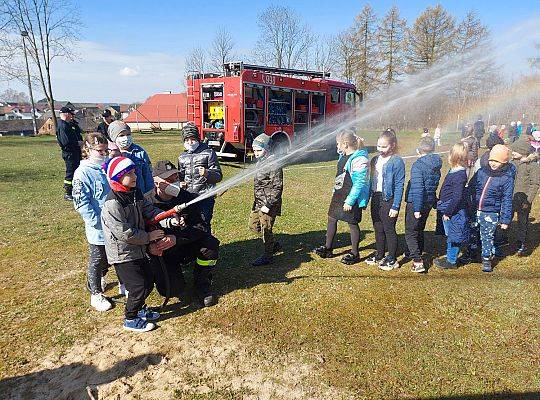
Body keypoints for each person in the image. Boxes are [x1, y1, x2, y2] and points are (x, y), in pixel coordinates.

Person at [101, 156, 179, 332]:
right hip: (123, 254)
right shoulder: (113, 203)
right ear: (117, 177)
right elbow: (124, 233)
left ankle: (141, 309)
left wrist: (168, 220)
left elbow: (149, 211)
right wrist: (149, 236)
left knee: (148, 280)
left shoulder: (134, 192)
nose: (135, 175)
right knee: (138, 286)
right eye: (129, 173)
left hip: (138, 248)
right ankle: (130, 318)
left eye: (134, 171)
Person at [150, 160, 220, 307]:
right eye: (168, 180)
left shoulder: (186, 197)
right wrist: (151, 247)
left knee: (210, 244)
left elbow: (201, 227)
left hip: (184, 243)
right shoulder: (146, 202)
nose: (174, 182)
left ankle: (202, 284)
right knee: (171, 290)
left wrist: (177, 238)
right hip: (164, 252)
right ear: (156, 181)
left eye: (176, 177)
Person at [313, 129, 370, 265]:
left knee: (352, 223)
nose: (337, 146)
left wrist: (350, 201)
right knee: (332, 218)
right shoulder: (343, 155)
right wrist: (335, 190)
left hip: (351, 197)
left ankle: (355, 253)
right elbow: (340, 175)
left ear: (345, 144)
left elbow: (359, 183)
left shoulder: (360, 159)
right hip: (339, 194)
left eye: (338, 144)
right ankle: (328, 248)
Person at [72, 132, 112, 312]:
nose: (103, 154)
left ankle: (105, 276)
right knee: (98, 258)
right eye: (99, 151)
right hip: (98, 226)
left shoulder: (107, 167)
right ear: (88, 150)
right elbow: (82, 203)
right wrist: (95, 222)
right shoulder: (82, 173)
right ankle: (95, 293)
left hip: (114, 222)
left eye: (105, 150)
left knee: (111, 257)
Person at [468, 145, 515, 272]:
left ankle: (486, 259)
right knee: (473, 232)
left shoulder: (506, 178)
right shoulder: (481, 172)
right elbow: (471, 187)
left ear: (504, 162)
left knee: (487, 236)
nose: (493, 164)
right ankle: (472, 253)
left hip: (491, 213)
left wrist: (505, 220)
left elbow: (506, 200)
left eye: (497, 161)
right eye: (492, 160)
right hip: (475, 210)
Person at [366, 129, 405, 271]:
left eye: (384, 147)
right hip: (376, 198)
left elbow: (400, 185)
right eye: (379, 146)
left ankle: (392, 258)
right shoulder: (375, 159)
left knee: (389, 229)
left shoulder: (397, 161)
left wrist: (395, 206)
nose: (380, 150)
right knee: (377, 228)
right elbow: (371, 180)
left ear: (392, 145)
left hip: (389, 199)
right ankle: (380, 254)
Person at [404, 137, 442, 273]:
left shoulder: (418, 165)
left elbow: (418, 188)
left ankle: (417, 260)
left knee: (410, 232)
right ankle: (416, 251)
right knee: (419, 229)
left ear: (419, 150)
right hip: (428, 202)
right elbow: (433, 185)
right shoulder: (436, 164)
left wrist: (416, 209)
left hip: (416, 203)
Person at [177, 123, 223, 229]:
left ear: (198, 138)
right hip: (188, 197)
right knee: (189, 223)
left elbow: (218, 176)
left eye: (192, 139)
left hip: (205, 197)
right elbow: (180, 175)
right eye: (187, 140)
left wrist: (207, 173)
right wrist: (180, 183)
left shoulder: (209, 153)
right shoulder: (182, 157)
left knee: (204, 222)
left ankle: (207, 245)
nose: (190, 142)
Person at [433, 143, 470, 270]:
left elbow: (457, 197)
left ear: (454, 157)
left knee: (454, 236)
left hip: (453, 210)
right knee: (451, 235)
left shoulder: (459, 175)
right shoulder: (454, 170)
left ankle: (452, 261)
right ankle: (450, 257)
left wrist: (448, 212)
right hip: (448, 207)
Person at [249, 133, 284, 267]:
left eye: (259, 150)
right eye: (254, 150)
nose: (256, 153)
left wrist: (268, 205)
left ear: (267, 149)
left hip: (268, 204)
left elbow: (277, 187)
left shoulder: (274, 164)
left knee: (266, 230)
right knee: (253, 225)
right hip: (258, 202)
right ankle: (273, 245)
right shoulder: (261, 161)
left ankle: (268, 256)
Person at [108, 120, 154, 199]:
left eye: (128, 134)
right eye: (121, 135)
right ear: (114, 137)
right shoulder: (110, 153)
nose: (126, 138)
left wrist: (149, 192)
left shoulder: (139, 152)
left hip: (141, 193)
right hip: (121, 196)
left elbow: (147, 173)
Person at [510, 138, 539, 256]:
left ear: (523, 152)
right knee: (506, 218)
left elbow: (535, 183)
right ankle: (501, 239)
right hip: (511, 198)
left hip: (524, 200)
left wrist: (528, 200)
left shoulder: (532, 166)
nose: (512, 152)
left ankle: (521, 243)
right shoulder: (513, 163)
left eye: (515, 151)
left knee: (522, 222)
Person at [56, 106, 83, 201]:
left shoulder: (67, 124)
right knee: (70, 172)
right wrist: (77, 143)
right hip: (69, 153)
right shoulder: (62, 126)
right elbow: (65, 142)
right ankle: (68, 193)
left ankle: (75, 190)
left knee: (76, 171)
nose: (72, 116)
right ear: (66, 114)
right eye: (71, 114)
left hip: (75, 152)